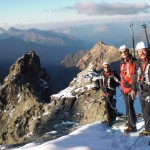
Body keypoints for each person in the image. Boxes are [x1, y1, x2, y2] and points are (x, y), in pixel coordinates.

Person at [132, 41, 150, 136]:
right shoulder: (138, 63)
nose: (141, 53)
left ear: (147, 50)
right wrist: (133, 89)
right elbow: (135, 76)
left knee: (147, 112)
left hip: (149, 92)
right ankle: (148, 129)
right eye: (139, 51)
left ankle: (148, 129)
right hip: (142, 91)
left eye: (143, 51)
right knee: (144, 111)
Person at [119, 45, 137, 133]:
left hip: (131, 88)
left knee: (129, 106)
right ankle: (132, 121)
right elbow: (122, 75)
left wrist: (130, 85)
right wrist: (122, 86)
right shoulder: (122, 63)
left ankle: (132, 126)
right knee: (128, 106)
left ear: (128, 51)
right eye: (122, 52)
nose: (124, 53)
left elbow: (135, 75)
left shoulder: (133, 62)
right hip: (125, 89)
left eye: (125, 51)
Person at [99, 62, 120, 126]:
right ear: (103, 68)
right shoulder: (101, 75)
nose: (106, 68)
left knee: (107, 105)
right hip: (105, 92)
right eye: (105, 67)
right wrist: (104, 92)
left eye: (107, 67)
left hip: (111, 92)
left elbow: (118, 82)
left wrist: (111, 90)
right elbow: (101, 84)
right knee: (109, 105)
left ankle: (109, 119)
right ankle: (112, 117)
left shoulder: (112, 74)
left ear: (109, 67)